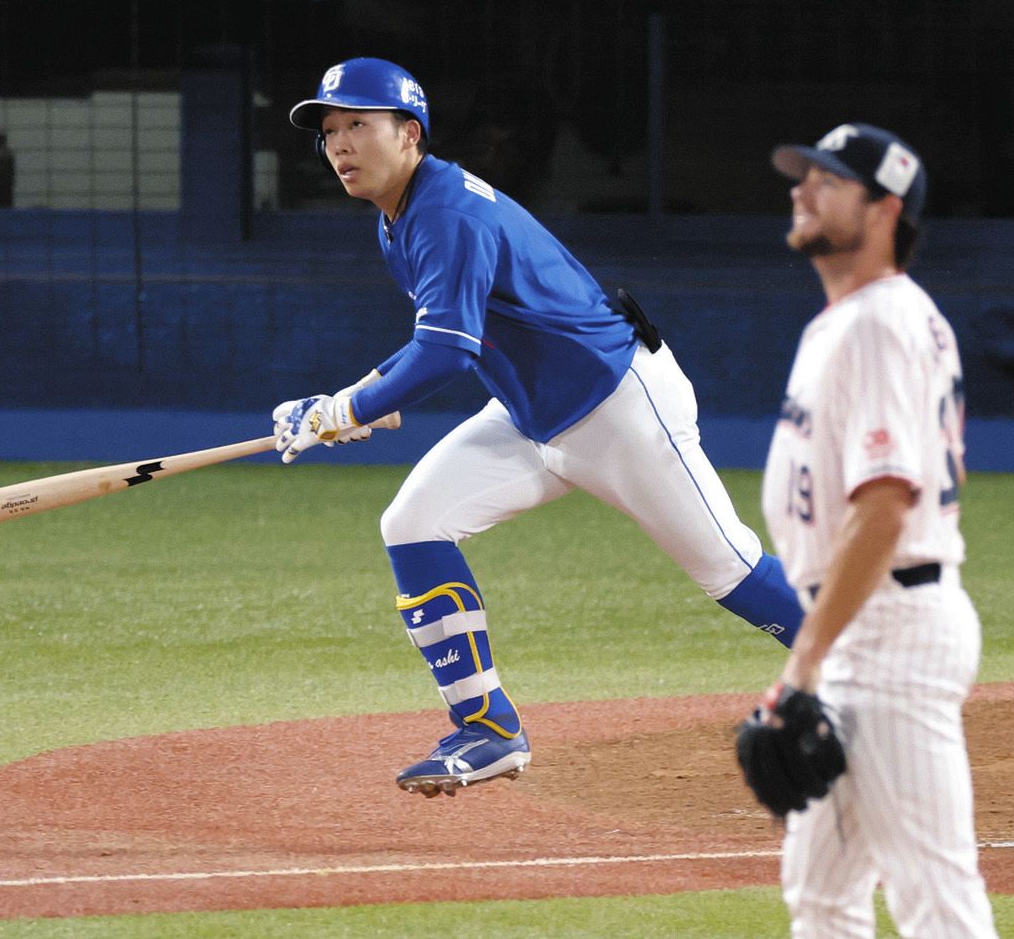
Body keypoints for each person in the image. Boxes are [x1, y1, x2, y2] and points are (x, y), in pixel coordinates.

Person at [273, 57, 804, 798]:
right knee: (414, 522)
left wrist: (345, 410)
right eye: (329, 131)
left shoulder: (444, 213)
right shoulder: (402, 218)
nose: (339, 145)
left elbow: (445, 353)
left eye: (358, 124)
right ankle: (488, 730)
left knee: (730, 570)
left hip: (616, 407)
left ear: (411, 133)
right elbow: (446, 335)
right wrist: (364, 394)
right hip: (530, 416)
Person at [761, 123, 997, 936]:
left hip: (889, 634)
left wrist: (804, 663)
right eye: (804, 177)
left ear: (886, 207)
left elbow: (886, 504)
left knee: (937, 899)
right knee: (823, 896)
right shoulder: (849, 321)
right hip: (863, 631)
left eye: (828, 180)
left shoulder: (880, 325)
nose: (802, 189)